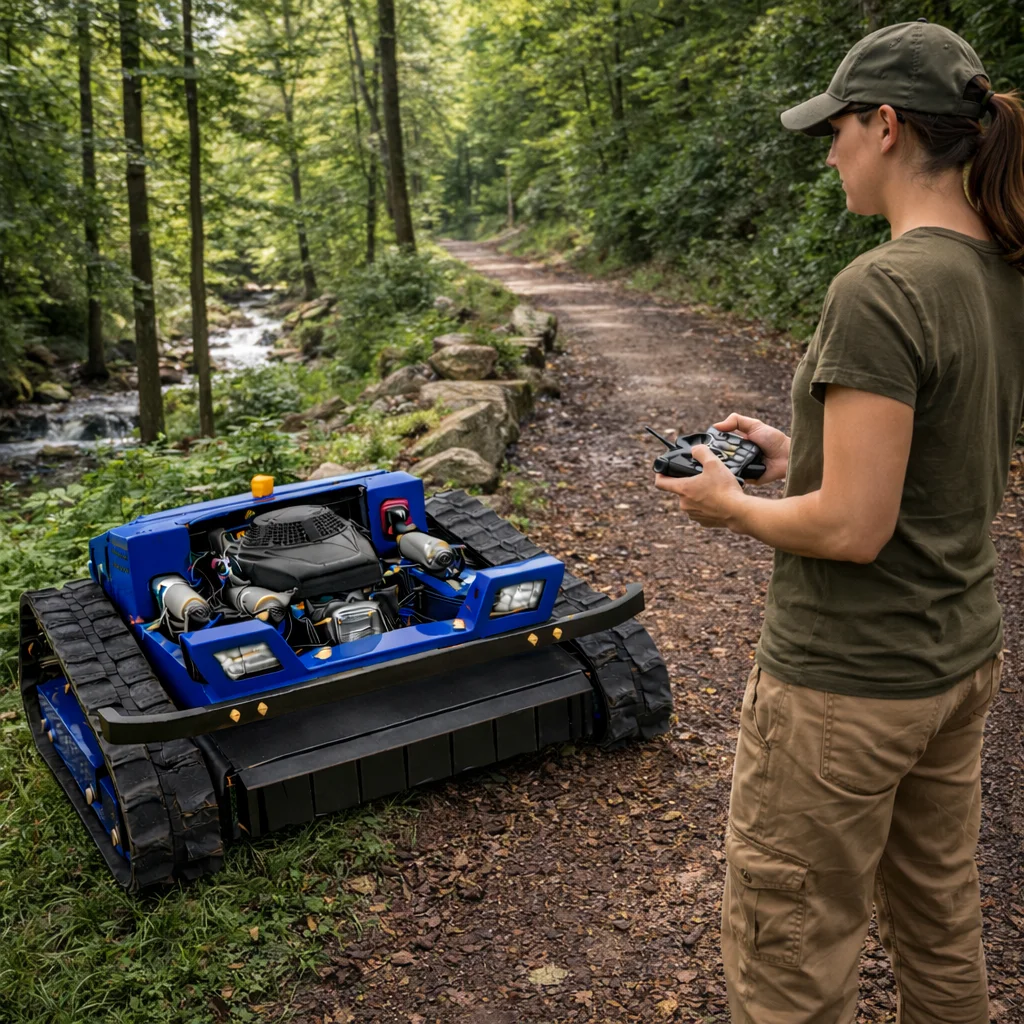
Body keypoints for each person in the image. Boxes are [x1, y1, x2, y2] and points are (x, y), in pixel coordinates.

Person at [654, 20, 1024, 1024]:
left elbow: (855, 529)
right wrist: (794, 454)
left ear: (887, 126)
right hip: (954, 662)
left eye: (837, 129)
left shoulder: (881, 285)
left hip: (848, 685)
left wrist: (729, 504)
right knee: (940, 924)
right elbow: (938, 454)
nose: (828, 152)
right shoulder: (996, 269)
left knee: (790, 955)